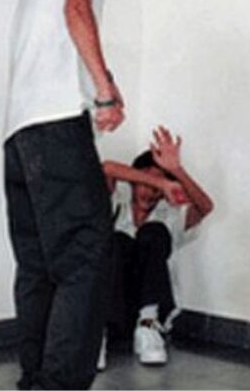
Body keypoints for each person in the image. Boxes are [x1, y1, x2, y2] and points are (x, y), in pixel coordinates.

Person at [3, 0, 126, 390]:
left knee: (38, 265)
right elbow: (78, 8)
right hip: (56, 127)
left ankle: (35, 378)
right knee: (86, 256)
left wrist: (103, 80)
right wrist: (105, 91)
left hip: (19, 134)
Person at [99, 126, 214, 369]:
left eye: (157, 189)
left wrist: (176, 171)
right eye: (146, 183)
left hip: (154, 309)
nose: (151, 193)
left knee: (154, 233)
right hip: (114, 306)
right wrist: (160, 181)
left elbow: (205, 206)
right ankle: (98, 333)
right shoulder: (117, 204)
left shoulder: (169, 215)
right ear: (134, 182)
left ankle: (148, 326)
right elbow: (106, 168)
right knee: (118, 241)